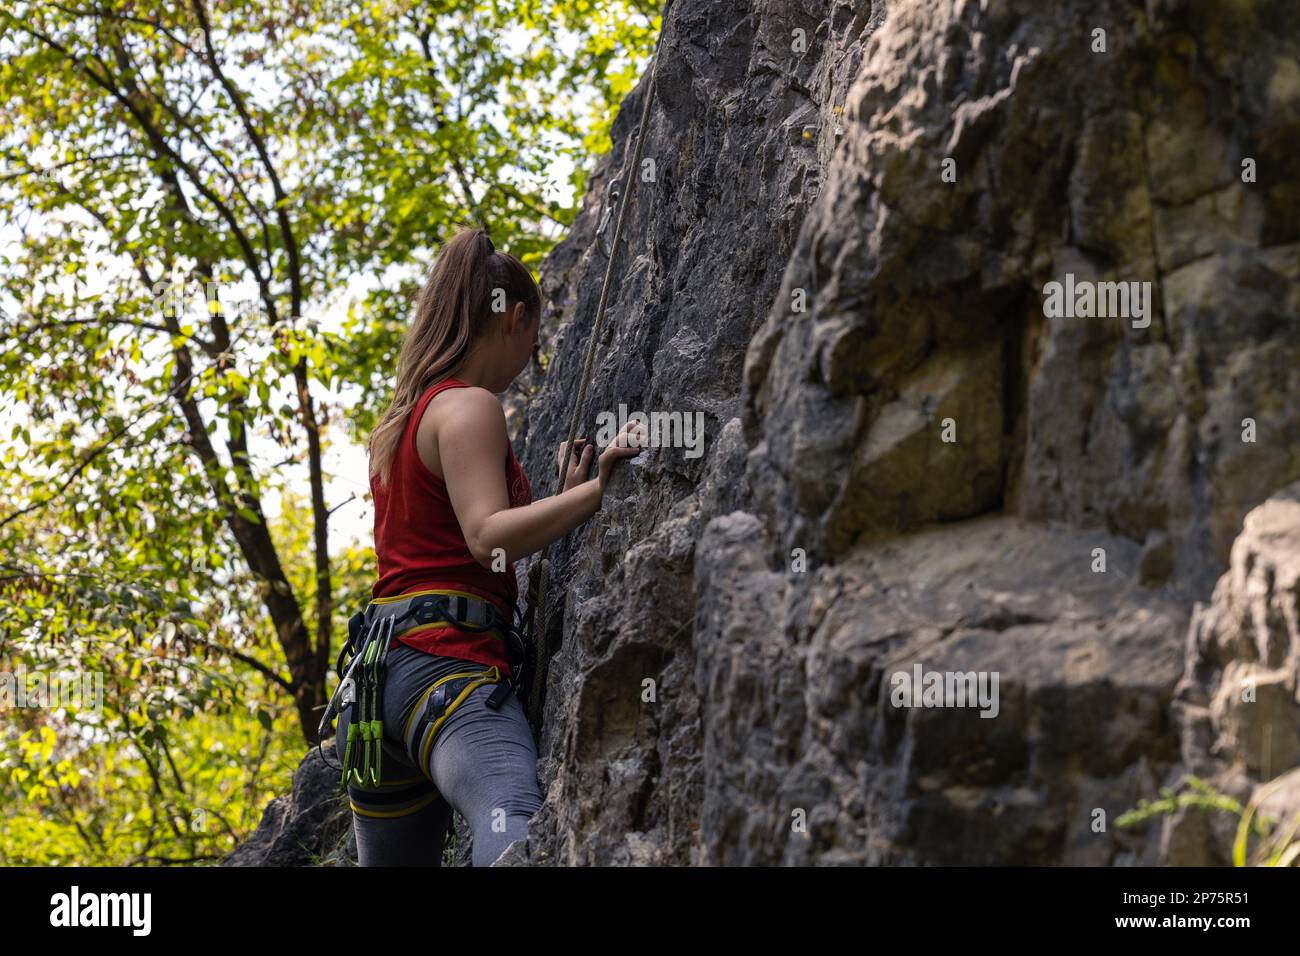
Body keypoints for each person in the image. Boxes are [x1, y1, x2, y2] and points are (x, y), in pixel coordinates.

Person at [335, 226, 642, 866]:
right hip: (444, 672)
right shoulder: (469, 406)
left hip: (375, 689)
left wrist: (556, 500)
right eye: (533, 340)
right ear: (516, 318)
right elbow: (485, 537)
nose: (531, 358)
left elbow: (451, 548)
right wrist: (595, 495)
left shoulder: (406, 417)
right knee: (516, 829)